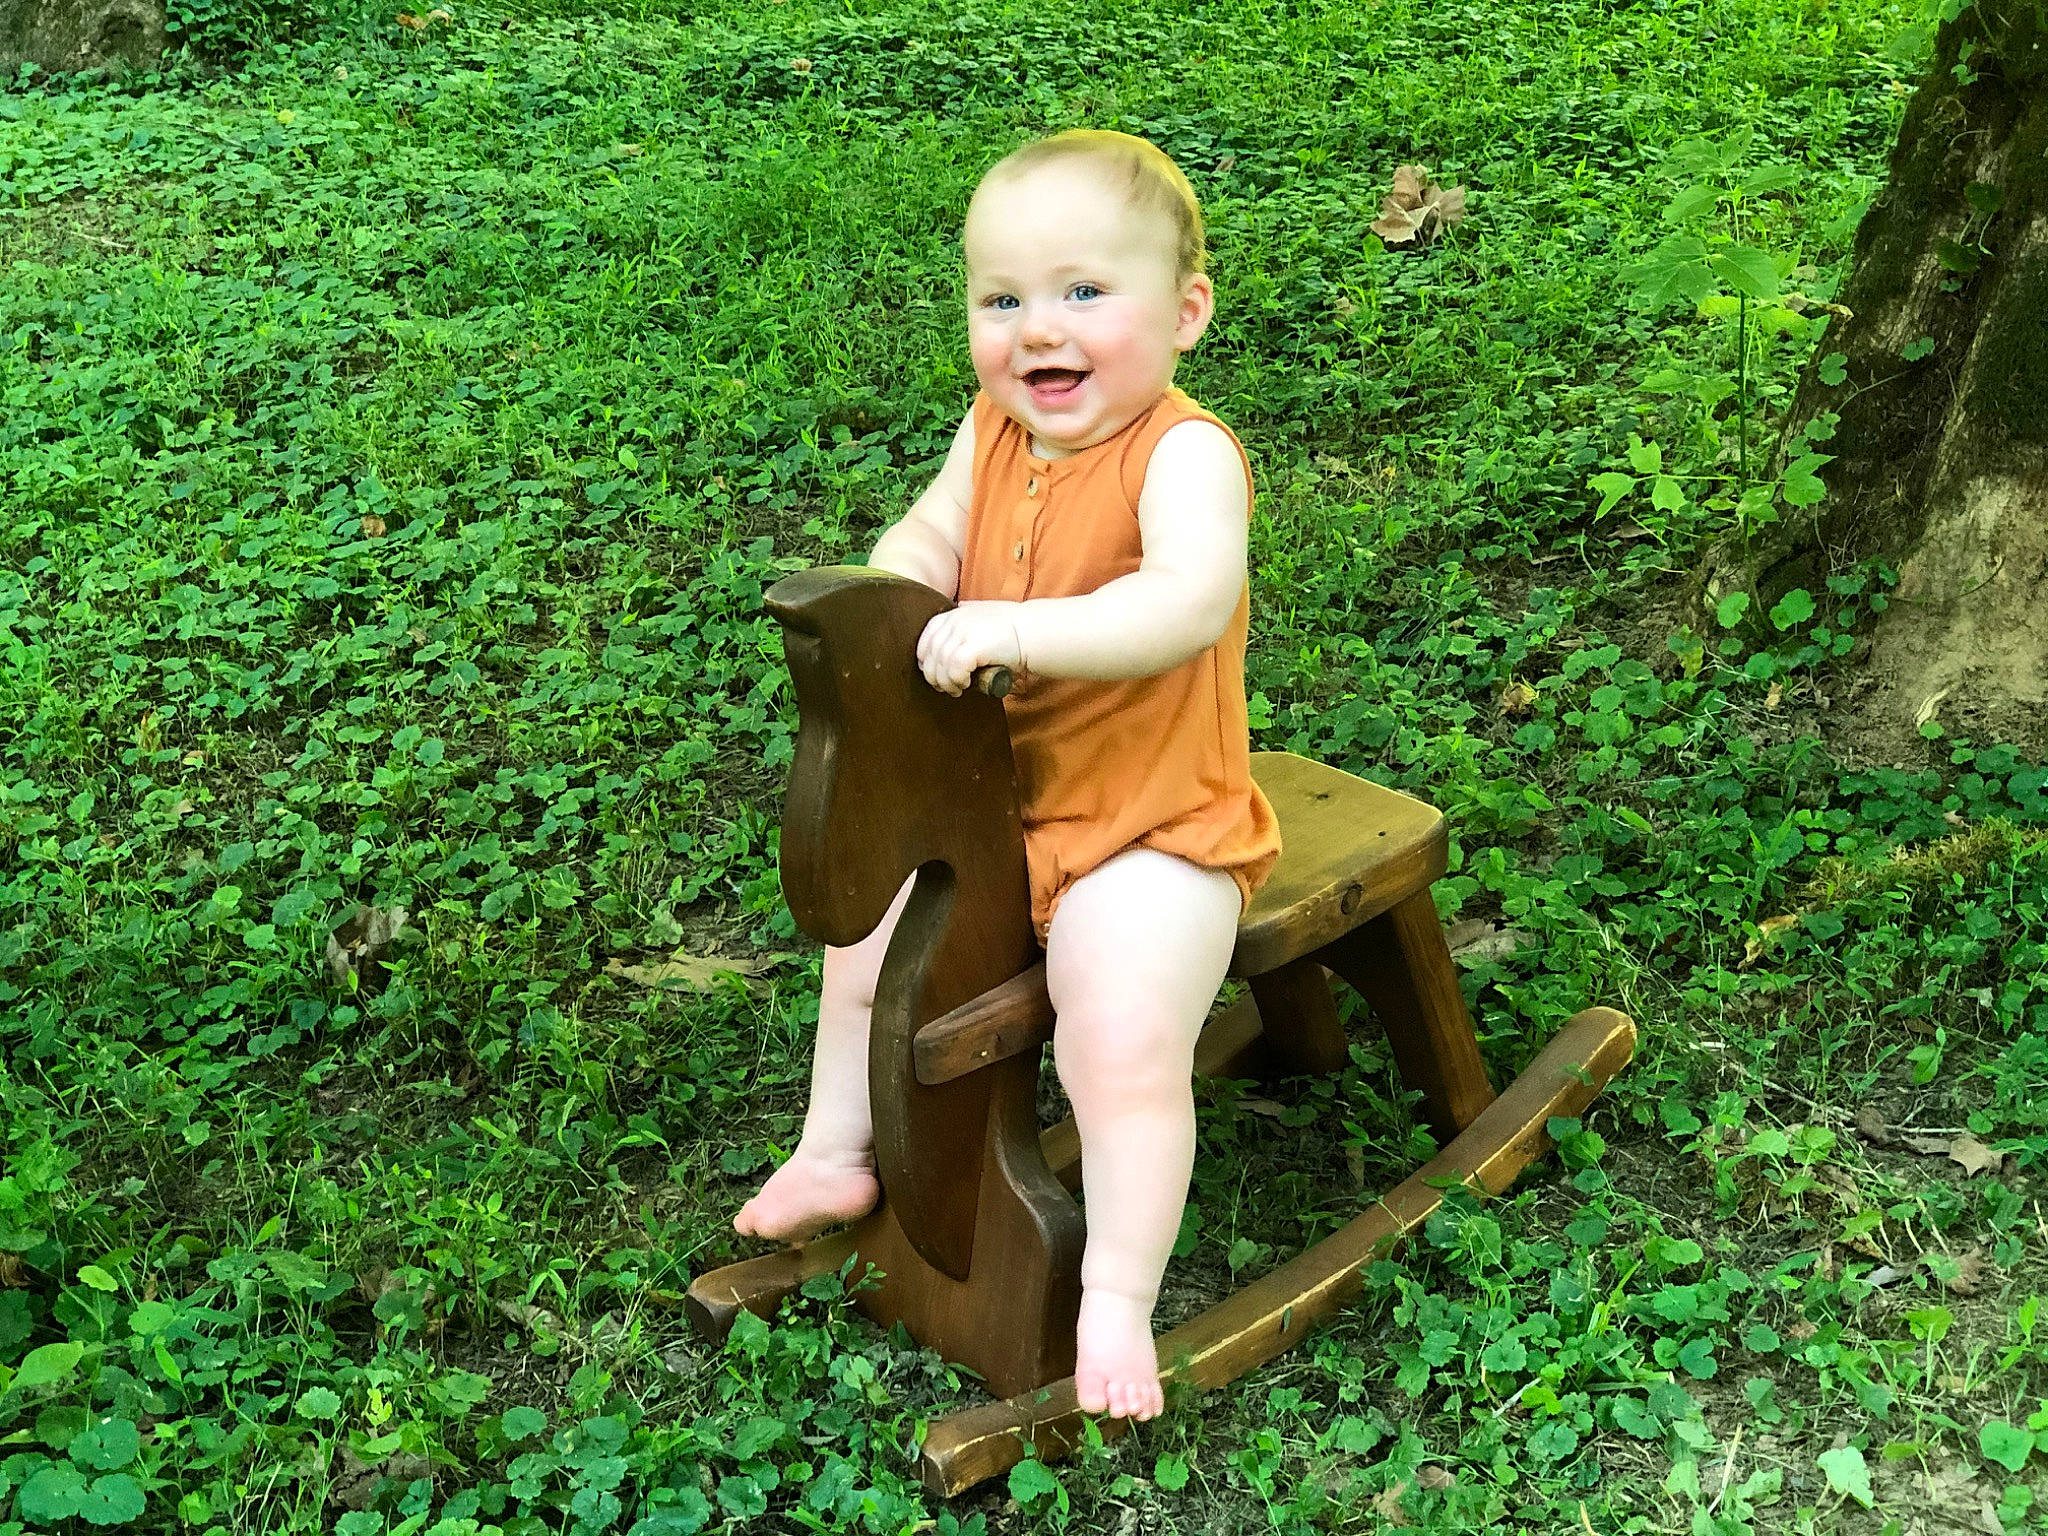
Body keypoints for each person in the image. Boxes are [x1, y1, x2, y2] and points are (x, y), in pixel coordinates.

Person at [734, 129, 1281, 1423]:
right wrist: (897, 586)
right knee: (865, 941)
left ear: (1186, 312)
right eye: (1005, 299)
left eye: (1086, 291)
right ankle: (835, 1146)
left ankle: (1116, 1298)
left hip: (1153, 826)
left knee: (1122, 1029)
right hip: (1005, 806)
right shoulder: (992, 429)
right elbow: (935, 526)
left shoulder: (1185, 455)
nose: (1041, 327)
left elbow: (1186, 602)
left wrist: (1021, 632)